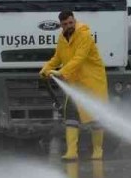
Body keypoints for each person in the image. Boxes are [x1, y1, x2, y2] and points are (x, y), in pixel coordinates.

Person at [39, 11, 108, 160]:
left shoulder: (84, 36)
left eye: (71, 23)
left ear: (74, 20)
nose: (69, 26)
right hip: (75, 83)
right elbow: (57, 58)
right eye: (65, 24)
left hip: (92, 82)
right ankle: (72, 152)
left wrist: (61, 72)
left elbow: (79, 58)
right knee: (70, 114)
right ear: (61, 25)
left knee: (95, 117)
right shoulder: (62, 39)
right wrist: (45, 69)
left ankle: (97, 150)